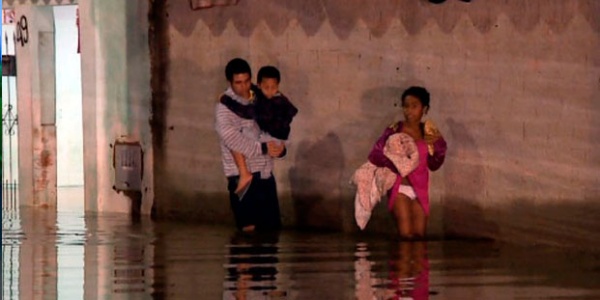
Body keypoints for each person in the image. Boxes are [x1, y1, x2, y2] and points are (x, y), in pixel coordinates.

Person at [215, 58, 286, 232]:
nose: (244, 86)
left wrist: (281, 148)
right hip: (241, 176)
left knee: (271, 232)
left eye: (247, 81)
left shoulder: (260, 96)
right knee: (248, 232)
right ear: (230, 82)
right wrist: (261, 148)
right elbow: (231, 139)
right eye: (238, 83)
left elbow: (278, 124)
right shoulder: (224, 108)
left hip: (265, 173)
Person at [367, 86, 447, 240]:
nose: (409, 111)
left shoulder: (428, 132)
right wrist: (396, 164)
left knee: (419, 237)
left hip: (420, 190)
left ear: (425, 109)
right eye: (406, 106)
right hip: (399, 188)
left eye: (414, 106)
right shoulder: (394, 130)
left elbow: (434, 164)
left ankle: (416, 264)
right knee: (406, 236)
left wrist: (438, 146)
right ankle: (400, 263)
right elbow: (375, 155)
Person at [219, 66, 298, 198]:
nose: (270, 91)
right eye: (266, 87)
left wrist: (225, 100)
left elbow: (247, 112)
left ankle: (245, 175)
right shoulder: (259, 97)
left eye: (274, 87)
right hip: (246, 172)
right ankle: (244, 175)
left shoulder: (274, 103)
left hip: (265, 166)